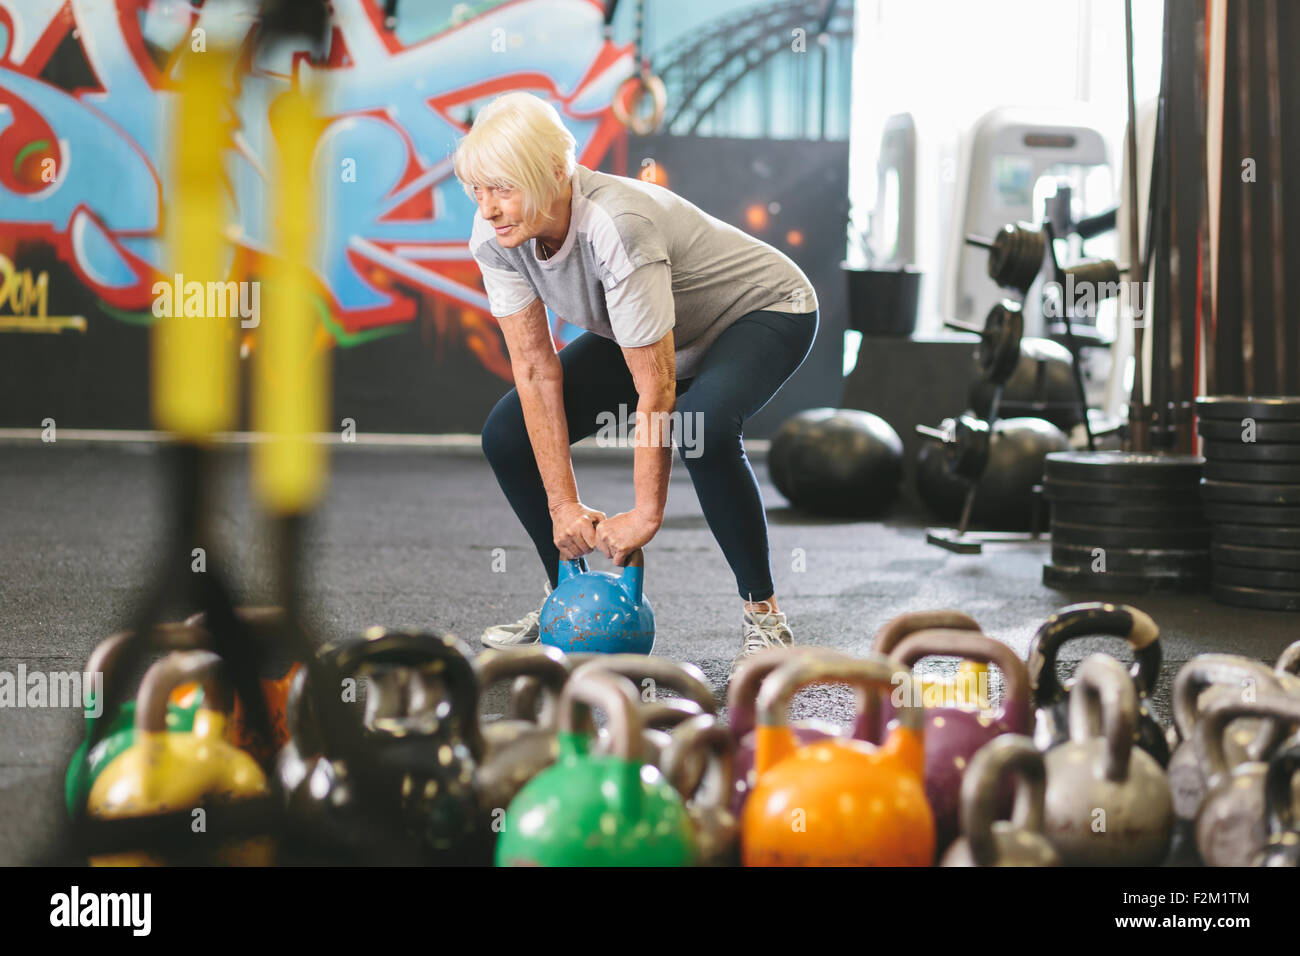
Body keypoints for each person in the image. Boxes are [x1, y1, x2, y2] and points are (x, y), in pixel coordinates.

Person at [456, 91, 818, 673]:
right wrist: (562, 505)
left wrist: (646, 514)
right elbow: (534, 368)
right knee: (506, 435)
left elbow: (657, 389)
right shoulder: (494, 238)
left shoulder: (616, 224)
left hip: (763, 308)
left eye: (503, 187)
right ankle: (567, 603)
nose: (489, 207)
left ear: (554, 172)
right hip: (663, 325)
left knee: (703, 424)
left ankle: (764, 616)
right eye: (477, 189)